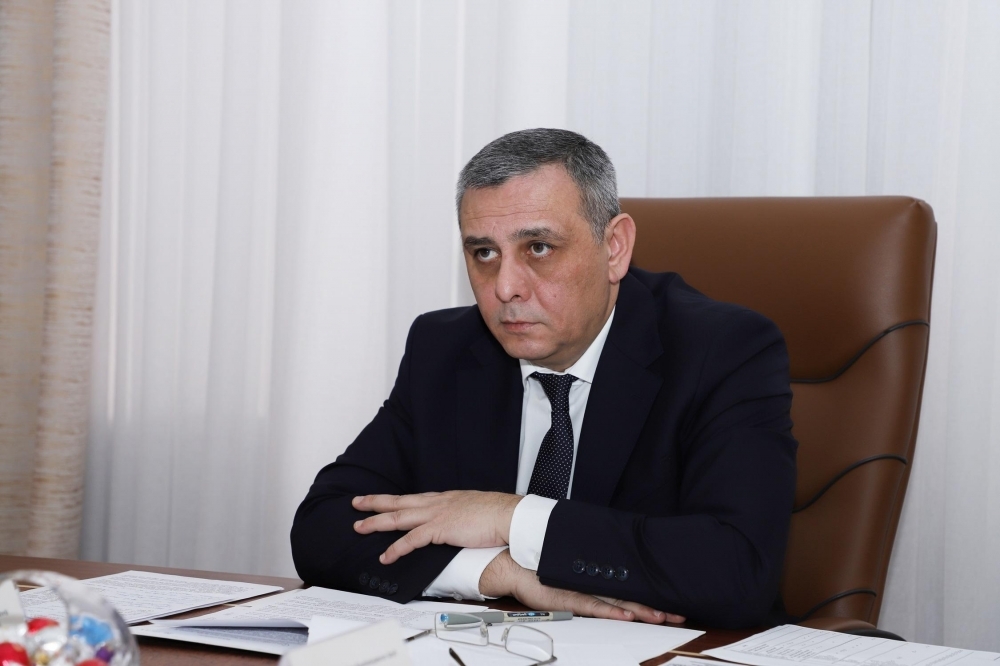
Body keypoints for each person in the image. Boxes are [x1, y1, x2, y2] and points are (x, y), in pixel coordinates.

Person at [291, 128, 797, 628]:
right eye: (484, 253)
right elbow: (322, 527)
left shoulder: (722, 350)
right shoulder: (445, 348)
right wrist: (498, 571)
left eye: (538, 247)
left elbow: (738, 569)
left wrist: (510, 517)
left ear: (614, 247)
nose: (505, 287)